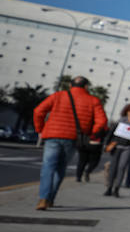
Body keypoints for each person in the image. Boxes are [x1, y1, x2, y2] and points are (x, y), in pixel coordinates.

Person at [32, 76, 108, 210]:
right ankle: (50, 199)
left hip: (52, 135)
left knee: (48, 167)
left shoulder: (58, 95)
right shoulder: (93, 100)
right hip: (73, 138)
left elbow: (38, 111)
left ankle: (43, 198)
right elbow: (102, 121)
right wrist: (90, 132)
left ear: (70, 85)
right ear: (86, 86)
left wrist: (40, 129)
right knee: (61, 168)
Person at [102, 104, 130, 197]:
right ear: (127, 111)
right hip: (116, 146)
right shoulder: (120, 121)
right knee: (113, 167)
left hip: (128, 148)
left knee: (122, 167)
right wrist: (107, 144)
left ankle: (117, 188)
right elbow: (111, 133)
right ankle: (109, 187)